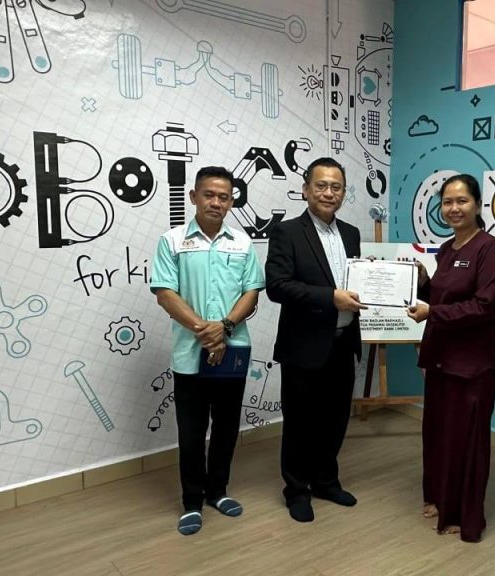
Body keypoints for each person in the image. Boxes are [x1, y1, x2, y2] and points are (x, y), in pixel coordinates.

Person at [150, 166, 265, 536]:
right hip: (190, 353)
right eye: (209, 195)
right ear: (194, 197)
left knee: (227, 427)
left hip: (233, 350)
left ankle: (218, 491)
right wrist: (206, 331)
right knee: (191, 431)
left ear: (231, 202)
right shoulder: (172, 241)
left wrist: (224, 328)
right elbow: (165, 293)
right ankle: (191, 502)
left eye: (224, 197)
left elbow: (252, 292)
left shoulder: (242, 242)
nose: (216, 202)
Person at [406, 173, 495, 543]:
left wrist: (432, 312)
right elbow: (442, 296)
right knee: (439, 434)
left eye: (462, 201)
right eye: (447, 202)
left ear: (478, 205)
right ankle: (440, 499)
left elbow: (485, 306)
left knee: (467, 441)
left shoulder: (490, 250)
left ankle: (465, 517)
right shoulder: (448, 249)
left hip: (474, 364)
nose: (453, 208)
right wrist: (421, 281)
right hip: (441, 359)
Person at [265, 157, 364, 523]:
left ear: (343, 192)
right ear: (306, 189)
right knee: (300, 423)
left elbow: (356, 281)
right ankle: (296, 490)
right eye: (321, 185)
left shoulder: (351, 233)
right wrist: (330, 297)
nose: (328, 193)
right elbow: (277, 286)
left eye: (336, 187)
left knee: (335, 419)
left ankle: (325, 481)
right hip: (303, 345)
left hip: (343, 342)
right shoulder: (287, 232)